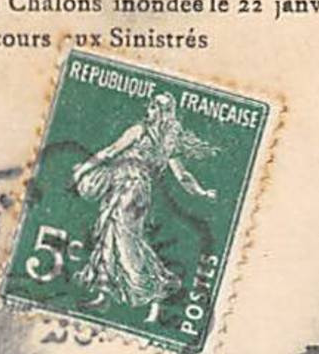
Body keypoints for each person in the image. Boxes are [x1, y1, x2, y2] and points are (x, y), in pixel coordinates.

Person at [70, 91, 218, 309]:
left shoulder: (139, 130)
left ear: (157, 111)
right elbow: (183, 176)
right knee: (126, 234)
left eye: (153, 106)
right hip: (141, 191)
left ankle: (141, 286)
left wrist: (83, 169)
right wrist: (202, 192)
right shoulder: (169, 143)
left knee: (121, 235)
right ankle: (112, 282)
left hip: (126, 186)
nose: (149, 109)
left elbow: (110, 151)